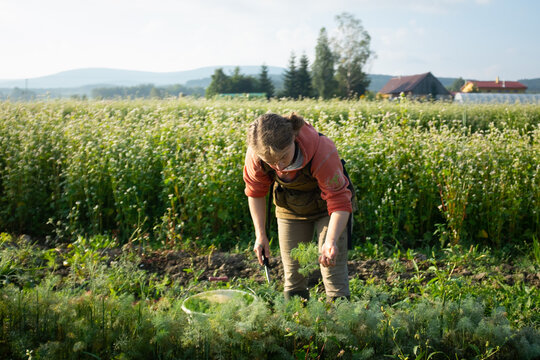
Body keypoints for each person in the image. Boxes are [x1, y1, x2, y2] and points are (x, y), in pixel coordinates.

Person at [243, 112, 354, 301]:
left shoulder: (322, 151)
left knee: (330, 268)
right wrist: (260, 234)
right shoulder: (257, 155)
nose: (279, 167)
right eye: (271, 162)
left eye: (283, 157)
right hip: (291, 206)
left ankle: (341, 323)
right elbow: (255, 192)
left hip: (329, 210)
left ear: (294, 139)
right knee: (293, 272)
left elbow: (339, 201)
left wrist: (331, 240)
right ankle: (298, 324)